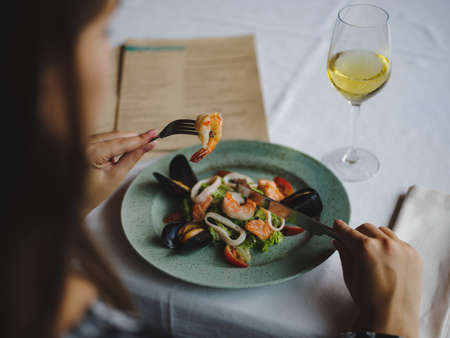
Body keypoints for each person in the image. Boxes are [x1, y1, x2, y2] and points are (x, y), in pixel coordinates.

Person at [2, 1, 422, 338]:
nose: (108, 57)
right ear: (42, 74)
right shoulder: (55, 312)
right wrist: (391, 321)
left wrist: (56, 203)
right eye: (103, 33)